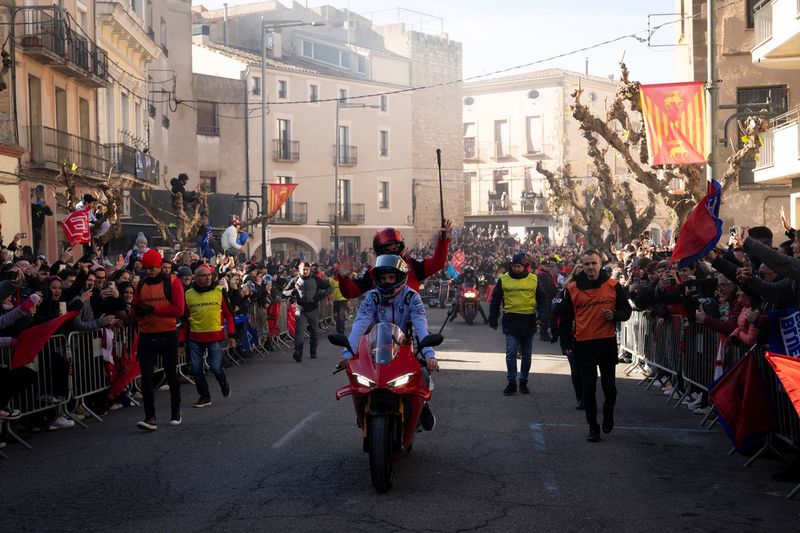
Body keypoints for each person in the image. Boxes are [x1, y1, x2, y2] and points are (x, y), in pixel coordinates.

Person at [343, 254, 438, 430]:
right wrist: (348, 353)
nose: (387, 281)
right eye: (383, 278)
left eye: (391, 277)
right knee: (362, 379)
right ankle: (364, 407)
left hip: (408, 347)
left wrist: (429, 354)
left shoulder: (413, 297)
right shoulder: (372, 297)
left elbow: (420, 326)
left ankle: (423, 405)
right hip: (378, 346)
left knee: (423, 374)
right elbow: (360, 323)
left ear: (400, 277)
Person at [558, 250, 632, 443]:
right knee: (588, 389)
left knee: (610, 389)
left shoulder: (613, 286)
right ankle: (593, 427)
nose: (590, 267)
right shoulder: (573, 288)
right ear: (582, 266)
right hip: (583, 344)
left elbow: (627, 311)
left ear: (600, 264)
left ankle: (608, 413)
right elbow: (565, 318)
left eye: (594, 263)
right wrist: (565, 343)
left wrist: (615, 315)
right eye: (587, 264)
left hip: (606, 343)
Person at [132, 248, 186, 431]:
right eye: (146, 268)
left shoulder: (173, 282)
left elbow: (179, 310)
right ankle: (150, 417)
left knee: (171, 375)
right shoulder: (141, 284)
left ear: (160, 266)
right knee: (147, 377)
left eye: (152, 268)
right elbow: (135, 307)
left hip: (168, 334)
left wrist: (153, 310)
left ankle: (176, 410)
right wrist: (135, 312)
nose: (148, 272)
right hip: (146, 335)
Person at [335, 222, 452, 298]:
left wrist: (443, 240)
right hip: (382, 326)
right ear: (380, 250)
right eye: (387, 249)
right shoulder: (373, 271)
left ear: (400, 247)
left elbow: (437, 263)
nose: (391, 251)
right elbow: (351, 292)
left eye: (395, 248)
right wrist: (344, 278)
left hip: (410, 323)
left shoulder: (411, 266)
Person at [488, 252, 547, 395]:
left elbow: (542, 300)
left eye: (519, 266)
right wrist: (493, 318)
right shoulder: (504, 280)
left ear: (525, 266)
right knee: (511, 352)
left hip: (529, 320)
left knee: (526, 355)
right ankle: (511, 382)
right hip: (510, 321)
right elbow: (495, 300)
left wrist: (542, 316)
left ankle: (523, 382)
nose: (516, 269)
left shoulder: (534, 279)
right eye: (514, 266)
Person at [182, 265, 235, 408]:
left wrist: (232, 335)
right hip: (195, 337)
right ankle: (204, 396)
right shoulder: (188, 294)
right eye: (203, 275)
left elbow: (229, 315)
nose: (208, 277)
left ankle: (223, 382)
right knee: (196, 369)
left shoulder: (219, 291)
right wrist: (181, 343)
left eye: (209, 275)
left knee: (215, 367)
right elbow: (185, 320)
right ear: (196, 278)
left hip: (215, 336)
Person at [283, 262, 330, 361]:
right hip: (300, 309)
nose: (305, 271)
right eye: (303, 269)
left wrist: (320, 296)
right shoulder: (295, 280)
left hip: (313, 309)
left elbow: (328, 287)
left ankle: (313, 351)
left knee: (314, 332)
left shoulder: (316, 279)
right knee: (299, 332)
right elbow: (284, 291)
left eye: (306, 269)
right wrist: (291, 292)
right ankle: (298, 353)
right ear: (299, 270)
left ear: (309, 270)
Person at [31, 185, 52, 256]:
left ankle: (35, 255)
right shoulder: (33, 206)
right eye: (38, 193)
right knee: (34, 244)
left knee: (37, 245)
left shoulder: (42, 207)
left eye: (41, 193)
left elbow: (50, 213)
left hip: (38, 229)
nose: (39, 195)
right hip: (33, 228)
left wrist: (44, 205)